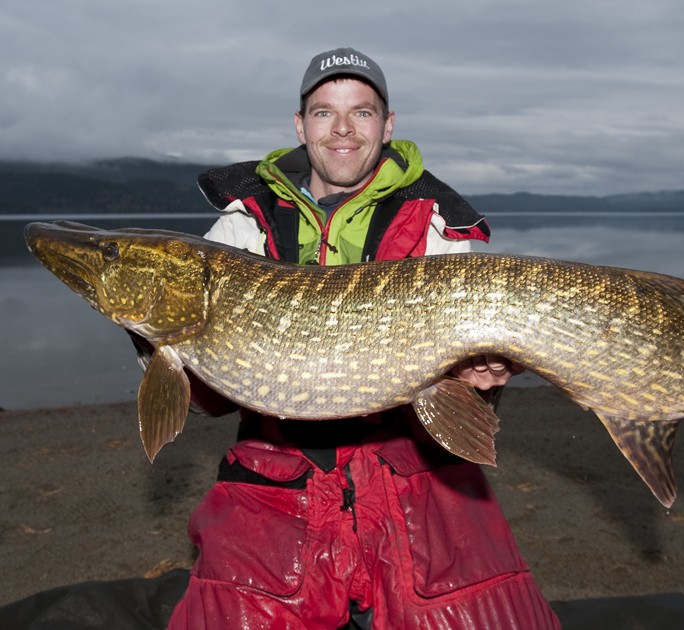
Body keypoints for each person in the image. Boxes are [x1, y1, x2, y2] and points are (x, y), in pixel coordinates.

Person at [166, 48, 561, 629]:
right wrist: (160, 343)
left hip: (413, 470)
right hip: (276, 470)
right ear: (301, 126)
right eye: (325, 112)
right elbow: (209, 400)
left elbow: (466, 395)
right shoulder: (240, 227)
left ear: (388, 124)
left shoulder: (436, 228)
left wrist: (483, 381)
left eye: (363, 112)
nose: (344, 129)